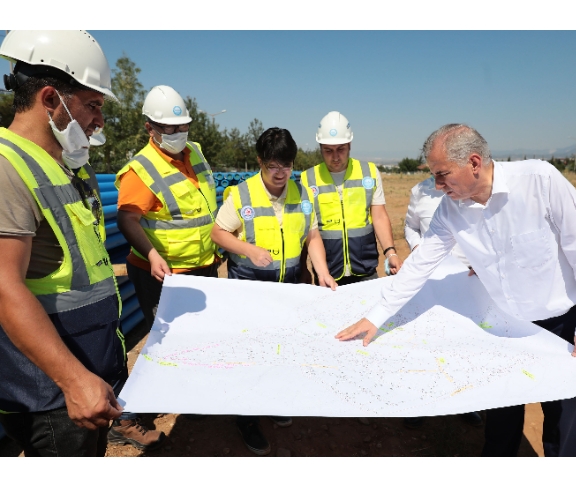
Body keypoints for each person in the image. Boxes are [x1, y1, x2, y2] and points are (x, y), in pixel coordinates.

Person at [337, 124, 576, 457]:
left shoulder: (541, 181)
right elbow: (421, 263)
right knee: (500, 418)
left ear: (473, 163)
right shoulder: (451, 210)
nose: (438, 186)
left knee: (562, 425)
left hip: (562, 329)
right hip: (503, 327)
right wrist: (377, 316)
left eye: (442, 175)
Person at [0, 30, 127, 456]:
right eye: (92, 106)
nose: (100, 121)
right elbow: (4, 286)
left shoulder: (65, 165)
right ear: (52, 98)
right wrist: (73, 380)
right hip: (53, 395)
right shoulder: (7, 167)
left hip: (89, 374)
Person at [211, 127, 337, 455]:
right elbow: (218, 233)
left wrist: (321, 272)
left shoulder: (301, 195)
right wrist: (247, 249)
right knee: (251, 354)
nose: (280, 173)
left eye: (287, 165)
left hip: (288, 288)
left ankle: (274, 401)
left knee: (282, 350)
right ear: (260, 162)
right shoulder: (240, 194)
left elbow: (312, 237)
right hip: (250, 289)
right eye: (272, 166)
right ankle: (246, 418)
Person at [113, 85, 219, 449]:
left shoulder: (196, 153)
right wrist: (151, 253)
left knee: (195, 341)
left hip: (202, 267)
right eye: (168, 128)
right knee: (163, 345)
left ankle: (185, 396)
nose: (177, 133)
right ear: (150, 128)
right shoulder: (140, 170)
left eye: (182, 126)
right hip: (163, 275)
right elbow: (127, 219)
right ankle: (128, 419)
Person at [402, 174, 483, 429]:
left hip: (468, 282)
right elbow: (410, 227)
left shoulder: (477, 190)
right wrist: (417, 249)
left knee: (465, 346)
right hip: (431, 282)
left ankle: (464, 401)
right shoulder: (420, 191)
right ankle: (422, 403)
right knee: (427, 344)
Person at [300, 111, 402, 285]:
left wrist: (390, 252)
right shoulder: (308, 178)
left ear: (350, 144)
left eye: (341, 149)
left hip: (365, 269)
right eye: (328, 151)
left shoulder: (369, 172)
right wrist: (303, 268)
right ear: (320, 148)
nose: (335, 156)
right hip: (327, 273)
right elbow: (304, 229)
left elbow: (379, 216)